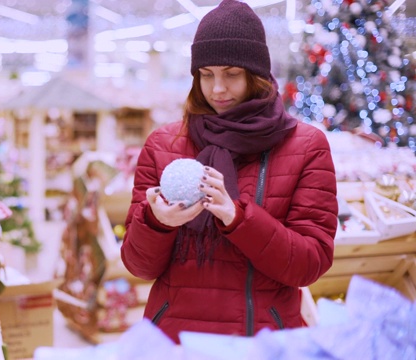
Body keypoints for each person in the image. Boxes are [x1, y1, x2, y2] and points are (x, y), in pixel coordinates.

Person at [120, 0, 338, 343]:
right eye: (206, 75)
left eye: (231, 74)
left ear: (258, 75)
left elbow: (310, 264)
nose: (217, 89)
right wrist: (156, 223)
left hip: (263, 343)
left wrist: (240, 219)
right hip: (176, 343)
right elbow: (138, 266)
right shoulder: (164, 145)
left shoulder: (305, 147)